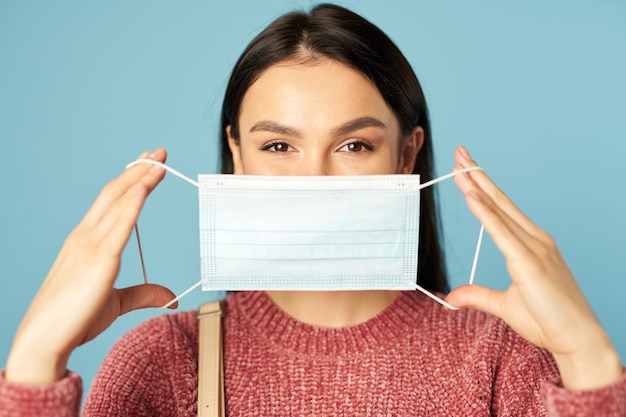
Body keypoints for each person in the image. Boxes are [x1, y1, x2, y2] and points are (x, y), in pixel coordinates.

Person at [2, 4, 625, 416]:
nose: (315, 180)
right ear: (236, 154)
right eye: (278, 145)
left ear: (407, 154)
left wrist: (587, 359)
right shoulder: (164, 363)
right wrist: (35, 360)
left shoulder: (499, 361)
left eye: (354, 145)